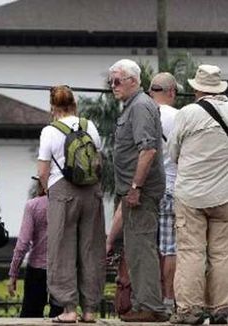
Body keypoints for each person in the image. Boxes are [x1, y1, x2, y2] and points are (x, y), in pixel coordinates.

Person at [37, 85, 105, 323]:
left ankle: (68, 309)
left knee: (62, 249)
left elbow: (43, 170)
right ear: (74, 104)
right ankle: (90, 310)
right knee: (91, 249)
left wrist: (47, 190)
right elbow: (98, 158)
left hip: (63, 192)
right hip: (91, 192)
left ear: (53, 107)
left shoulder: (50, 131)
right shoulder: (90, 126)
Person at [168, 64, 228, 325]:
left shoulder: (187, 113)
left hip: (190, 195)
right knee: (222, 252)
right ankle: (222, 308)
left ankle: (190, 310)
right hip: (224, 194)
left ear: (196, 89)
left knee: (192, 251)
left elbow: (173, 153)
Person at [109, 59, 168, 322]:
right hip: (135, 192)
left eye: (117, 80)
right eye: (111, 81)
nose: (113, 86)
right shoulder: (133, 107)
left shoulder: (140, 106)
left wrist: (135, 187)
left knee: (142, 249)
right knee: (136, 249)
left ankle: (150, 306)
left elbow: (148, 150)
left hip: (140, 193)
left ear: (133, 80)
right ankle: (146, 304)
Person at [7, 176, 62, 318]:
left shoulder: (33, 205)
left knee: (30, 316)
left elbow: (23, 243)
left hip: (37, 269)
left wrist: (13, 274)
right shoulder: (67, 205)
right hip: (63, 270)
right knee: (60, 317)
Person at [149, 72, 180, 314]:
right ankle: (170, 298)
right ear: (171, 92)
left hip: (148, 188)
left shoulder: (145, 114)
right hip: (173, 186)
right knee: (171, 247)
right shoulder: (178, 117)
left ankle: (151, 297)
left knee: (151, 245)